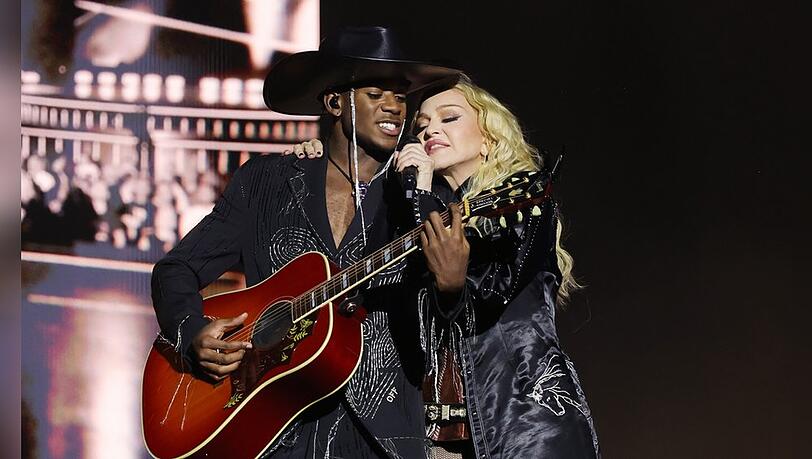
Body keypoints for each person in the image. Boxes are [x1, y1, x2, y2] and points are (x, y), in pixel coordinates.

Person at [150, 26, 459, 458]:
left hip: (381, 438)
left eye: (401, 96)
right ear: (335, 103)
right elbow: (176, 269)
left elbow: (451, 317)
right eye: (376, 94)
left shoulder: (424, 197)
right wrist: (192, 332)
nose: (394, 106)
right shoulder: (266, 183)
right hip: (272, 429)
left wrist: (443, 261)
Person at [396, 74, 601, 458]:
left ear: (489, 139)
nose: (429, 132)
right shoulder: (419, 208)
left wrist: (421, 198)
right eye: (421, 127)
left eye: (449, 118)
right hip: (437, 438)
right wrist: (315, 161)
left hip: (525, 428)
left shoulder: (524, 200)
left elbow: (487, 294)